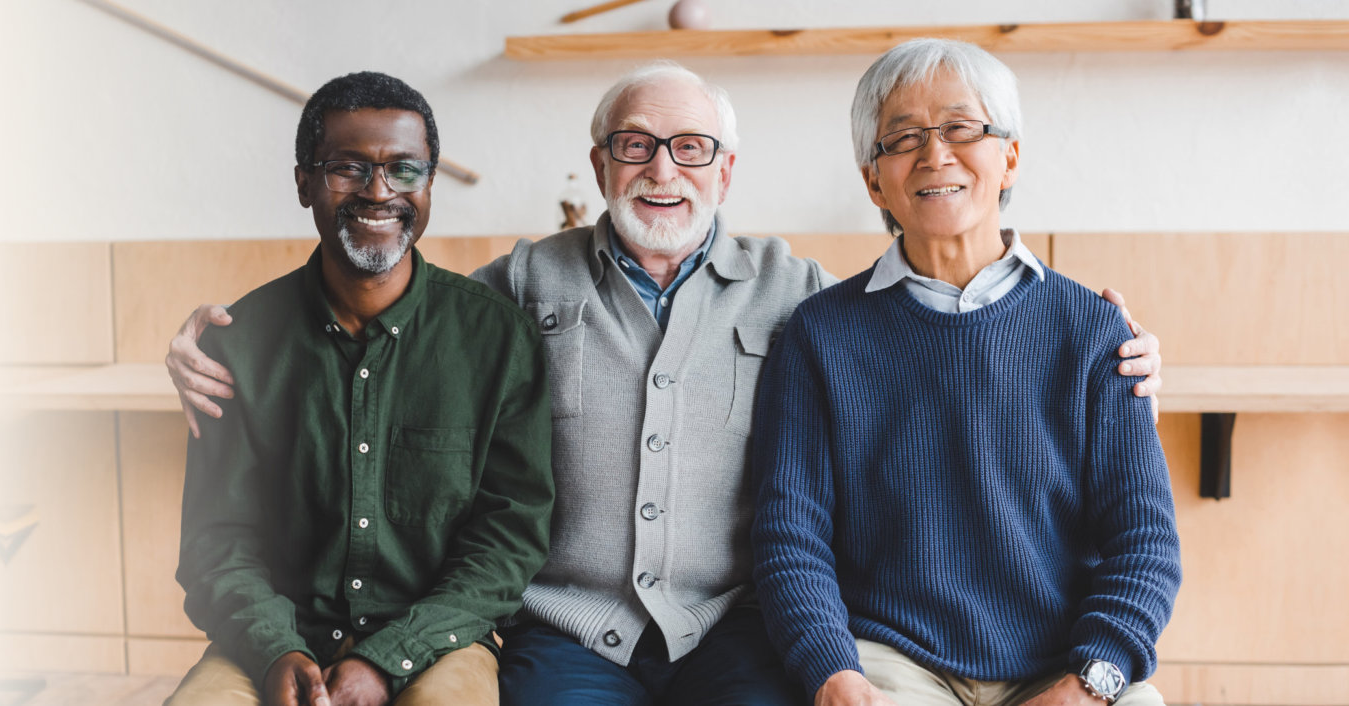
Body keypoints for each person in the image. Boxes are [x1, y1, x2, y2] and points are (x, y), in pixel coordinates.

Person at [166, 63, 1166, 706]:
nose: (663, 170)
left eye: (692, 149)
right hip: (567, 633)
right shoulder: (518, 285)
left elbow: (928, 327)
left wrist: (1122, 348)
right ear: (601, 165)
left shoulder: (807, 299)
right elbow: (395, 313)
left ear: (726, 172)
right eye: (635, 145)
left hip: (732, 626)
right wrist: (217, 342)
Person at [749, 38, 1181, 706]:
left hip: (1064, 659)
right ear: (873, 180)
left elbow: (1144, 541)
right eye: (904, 137)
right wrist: (834, 674)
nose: (935, 154)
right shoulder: (820, 334)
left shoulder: (1096, 332)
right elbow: (790, 534)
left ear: (1009, 157)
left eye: (962, 128)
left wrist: (1089, 682)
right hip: (891, 661)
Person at [166, 72, 555, 706]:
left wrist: (388, 658)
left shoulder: (497, 340)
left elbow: (507, 543)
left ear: (429, 184)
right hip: (275, 637)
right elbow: (216, 540)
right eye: (348, 168)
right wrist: (275, 651)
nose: (380, 192)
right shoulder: (236, 344)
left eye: (405, 170)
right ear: (303, 183)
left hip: (437, 641)